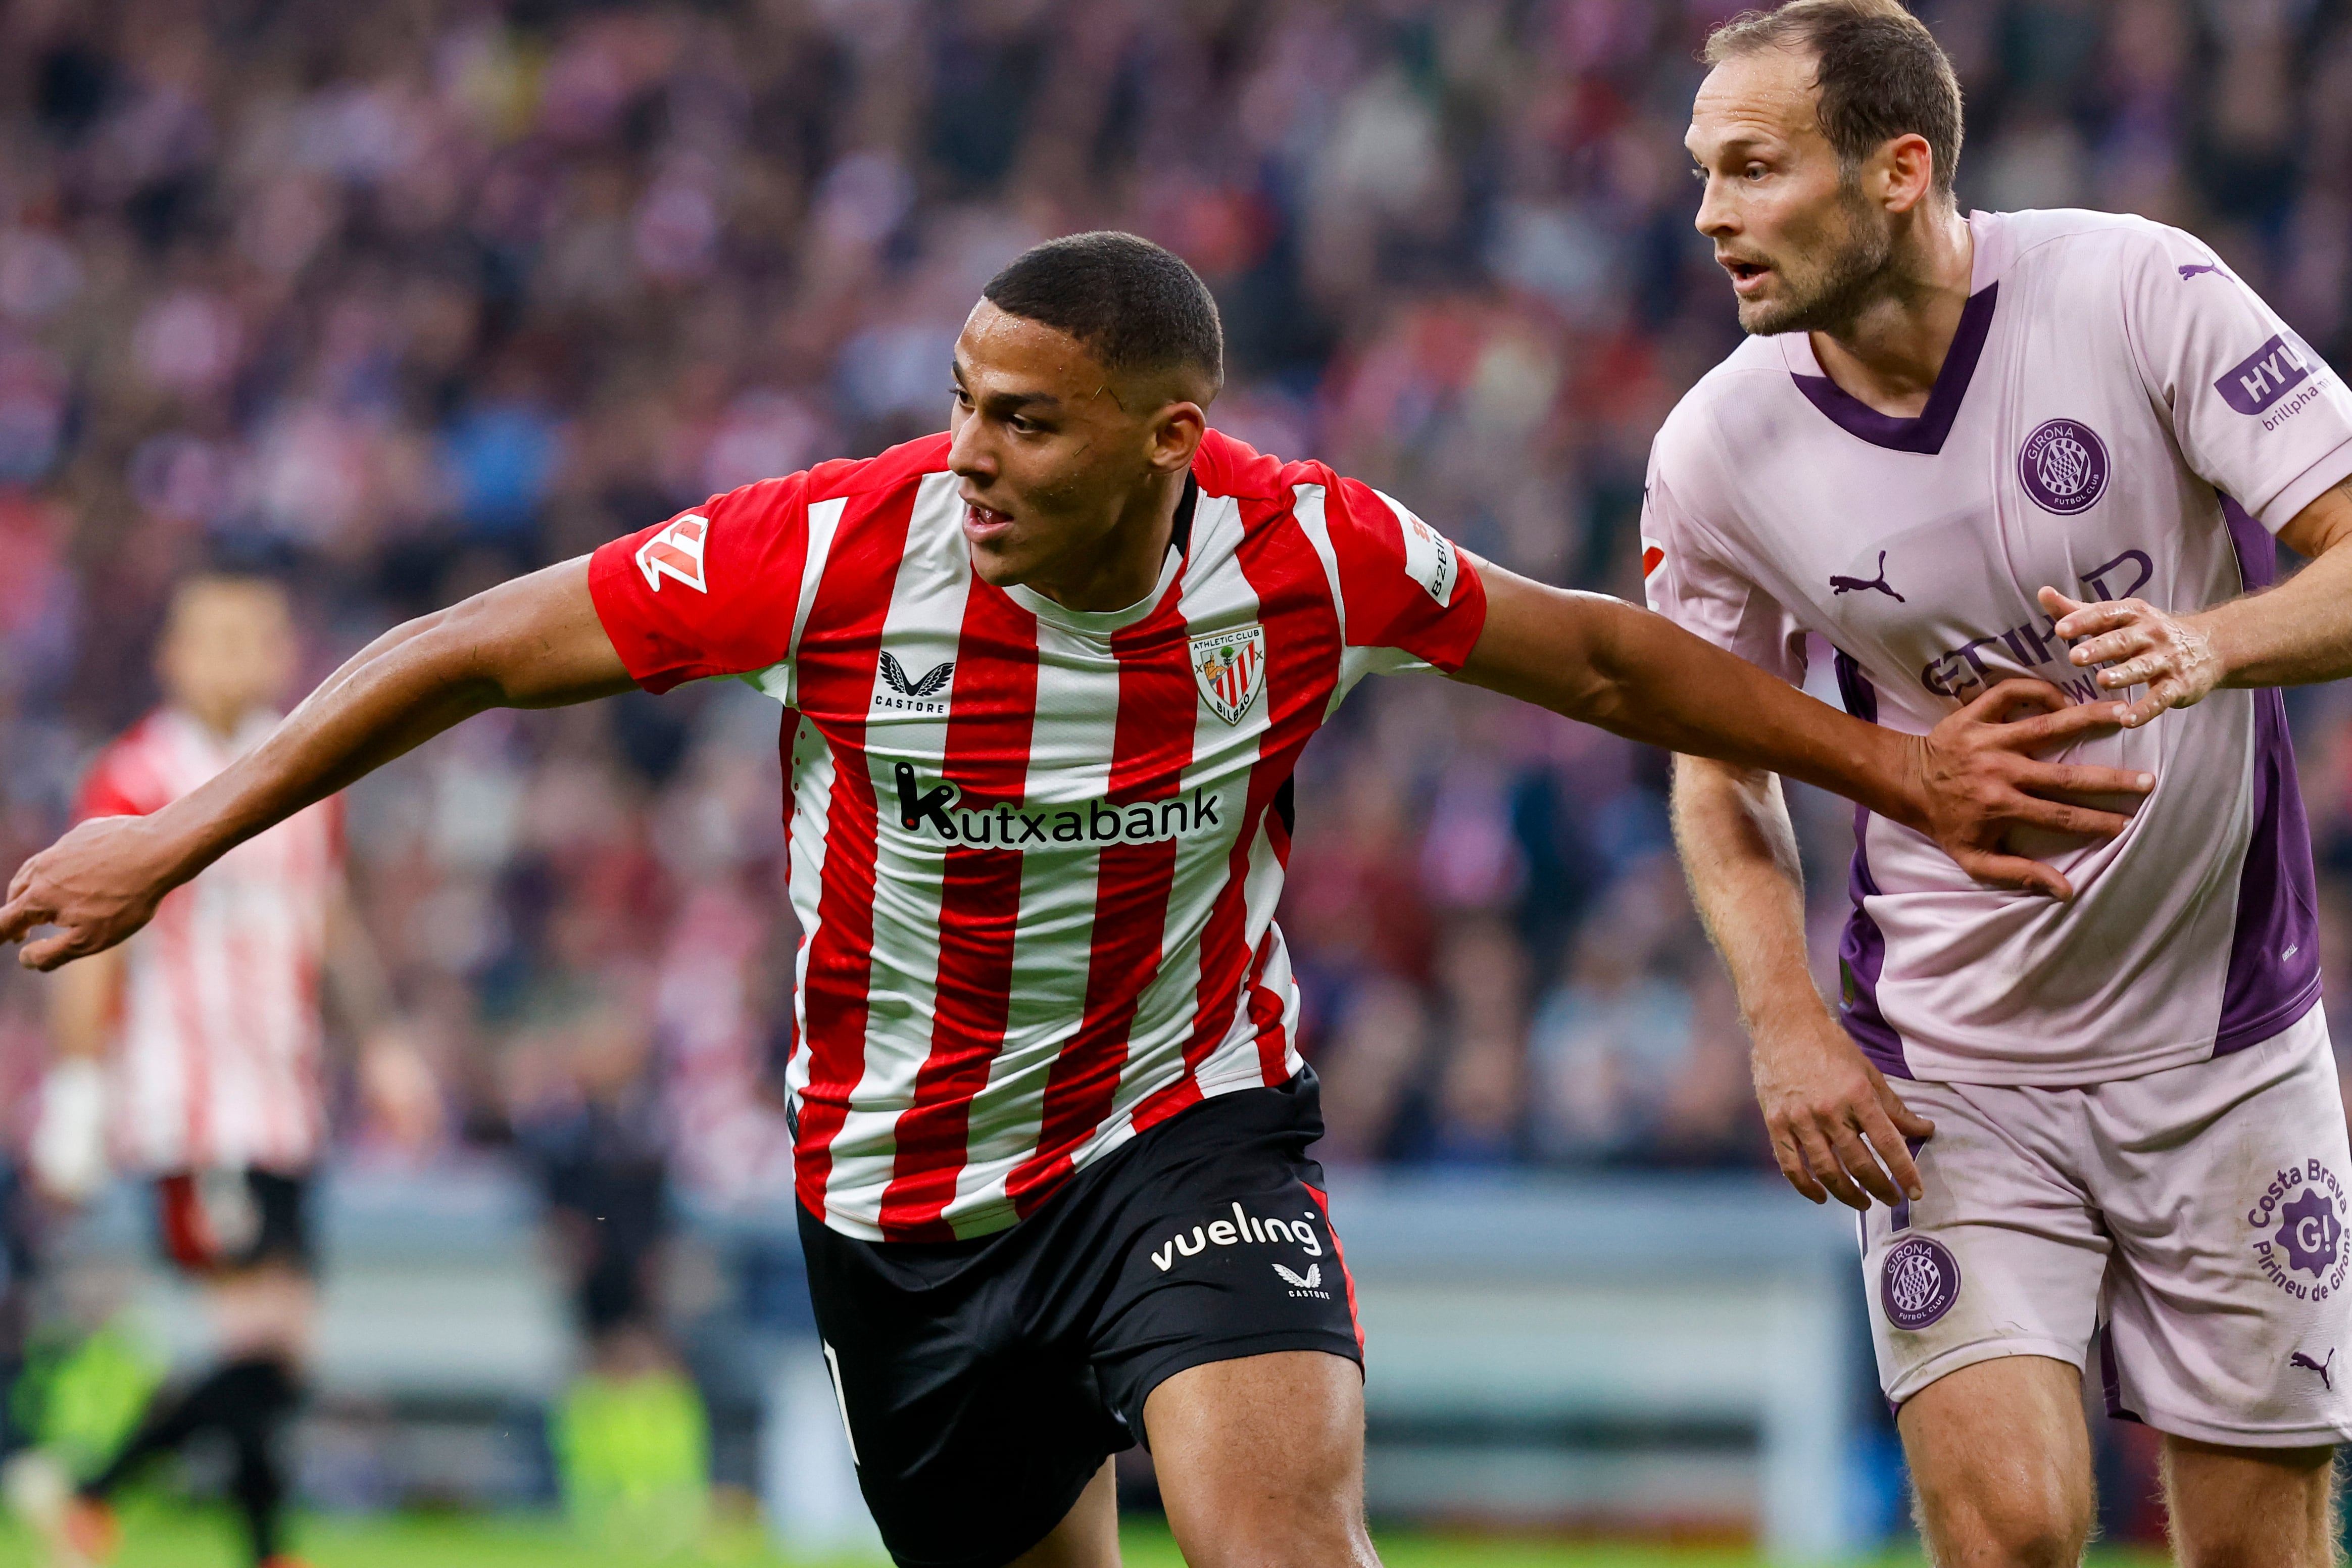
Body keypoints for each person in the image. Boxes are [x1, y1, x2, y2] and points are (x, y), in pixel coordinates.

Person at [3, 232, 2142, 1568]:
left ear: (1169, 440)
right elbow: (472, 646)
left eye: (1023, 421)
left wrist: (1900, 764)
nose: (970, 455)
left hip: (1187, 1122)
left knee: (1284, 1529)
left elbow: (1592, 648)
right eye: (958, 406)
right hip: (905, 1195)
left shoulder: (1302, 554)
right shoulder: (833, 552)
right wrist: (173, 843)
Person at [1652, 4, 2352, 1563]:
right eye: (1703, 174)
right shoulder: (1715, 452)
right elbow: (1716, 764)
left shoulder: (2134, 289)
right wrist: (1781, 1025)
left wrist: (2210, 647)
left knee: (2260, 1551)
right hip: (1949, 1074)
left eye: (1753, 169)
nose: (1709, 215)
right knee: (2014, 1533)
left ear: (1897, 169)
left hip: (2226, 1048)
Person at [20, 572, 430, 1568]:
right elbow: (94, 940)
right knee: (266, 1342)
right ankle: (98, 1494)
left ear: (283, 650)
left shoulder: (304, 765)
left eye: (254, 636)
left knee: (272, 1351)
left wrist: (380, 1043)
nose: (234, 657)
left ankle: (99, 1496)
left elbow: (328, 923)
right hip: (193, 1101)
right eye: (214, 637)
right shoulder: (133, 774)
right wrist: (77, 1090)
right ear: (171, 655)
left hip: (285, 1100)